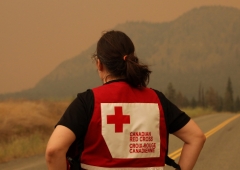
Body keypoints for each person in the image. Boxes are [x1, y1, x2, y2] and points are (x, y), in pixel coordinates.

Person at [45, 30, 206, 170]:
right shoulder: (157, 100)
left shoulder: (88, 102)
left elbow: (54, 151)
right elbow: (196, 137)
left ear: (99, 64)